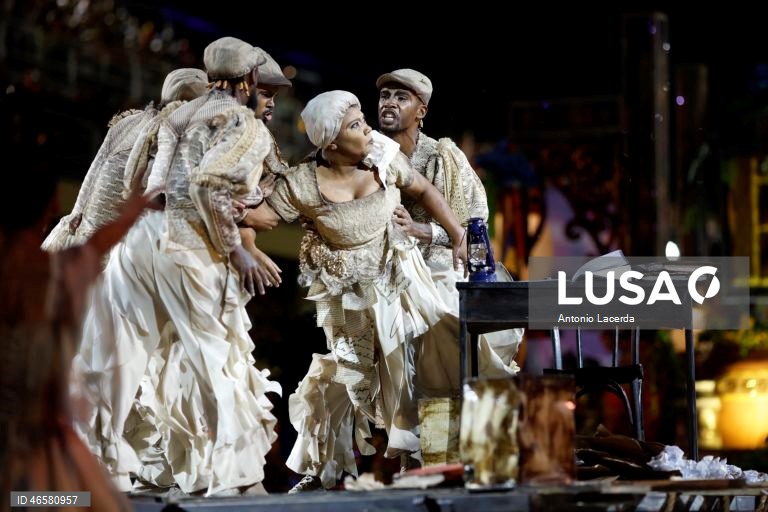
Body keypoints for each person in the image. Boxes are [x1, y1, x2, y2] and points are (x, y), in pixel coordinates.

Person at [74, 36, 281, 497]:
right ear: (248, 79)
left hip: (140, 239)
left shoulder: (175, 115)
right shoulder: (244, 124)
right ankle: (235, 478)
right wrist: (237, 249)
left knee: (114, 358)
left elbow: (139, 185)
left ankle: (97, 470)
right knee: (214, 357)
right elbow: (210, 186)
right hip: (189, 243)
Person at [263, 90, 468, 492]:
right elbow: (261, 217)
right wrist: (219, 208)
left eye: (363, 119)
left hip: (398, 284)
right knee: (342, 377)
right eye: (356, 125)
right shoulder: (303, 184)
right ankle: (320, 467)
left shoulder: (384, 156)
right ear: (332, 142)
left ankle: (420, 466)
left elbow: (425, 191)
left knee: (406, 375)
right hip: (348, 295)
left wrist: (458, 233)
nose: (368, 127)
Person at [0, 110, 161, 511]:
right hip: (42, 446)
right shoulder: (60, 272)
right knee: (65, 501)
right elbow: (101, 241)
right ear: (50, 203)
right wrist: (134, 209)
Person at [377, 69, 522, 397]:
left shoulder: (442, 157)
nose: (389, 103)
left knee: (446, 317)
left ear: (421, 111)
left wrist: (423, 231)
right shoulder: (370, 152)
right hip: (388, 270)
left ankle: (461, 416)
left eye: (401, 97)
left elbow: (474, 224)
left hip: (441, 268)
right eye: (385, 96)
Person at [41, 67, 208, 252]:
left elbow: (89, 186)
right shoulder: (174, 137)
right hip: (108, 258)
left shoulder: (128, 122)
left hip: (71, 240)